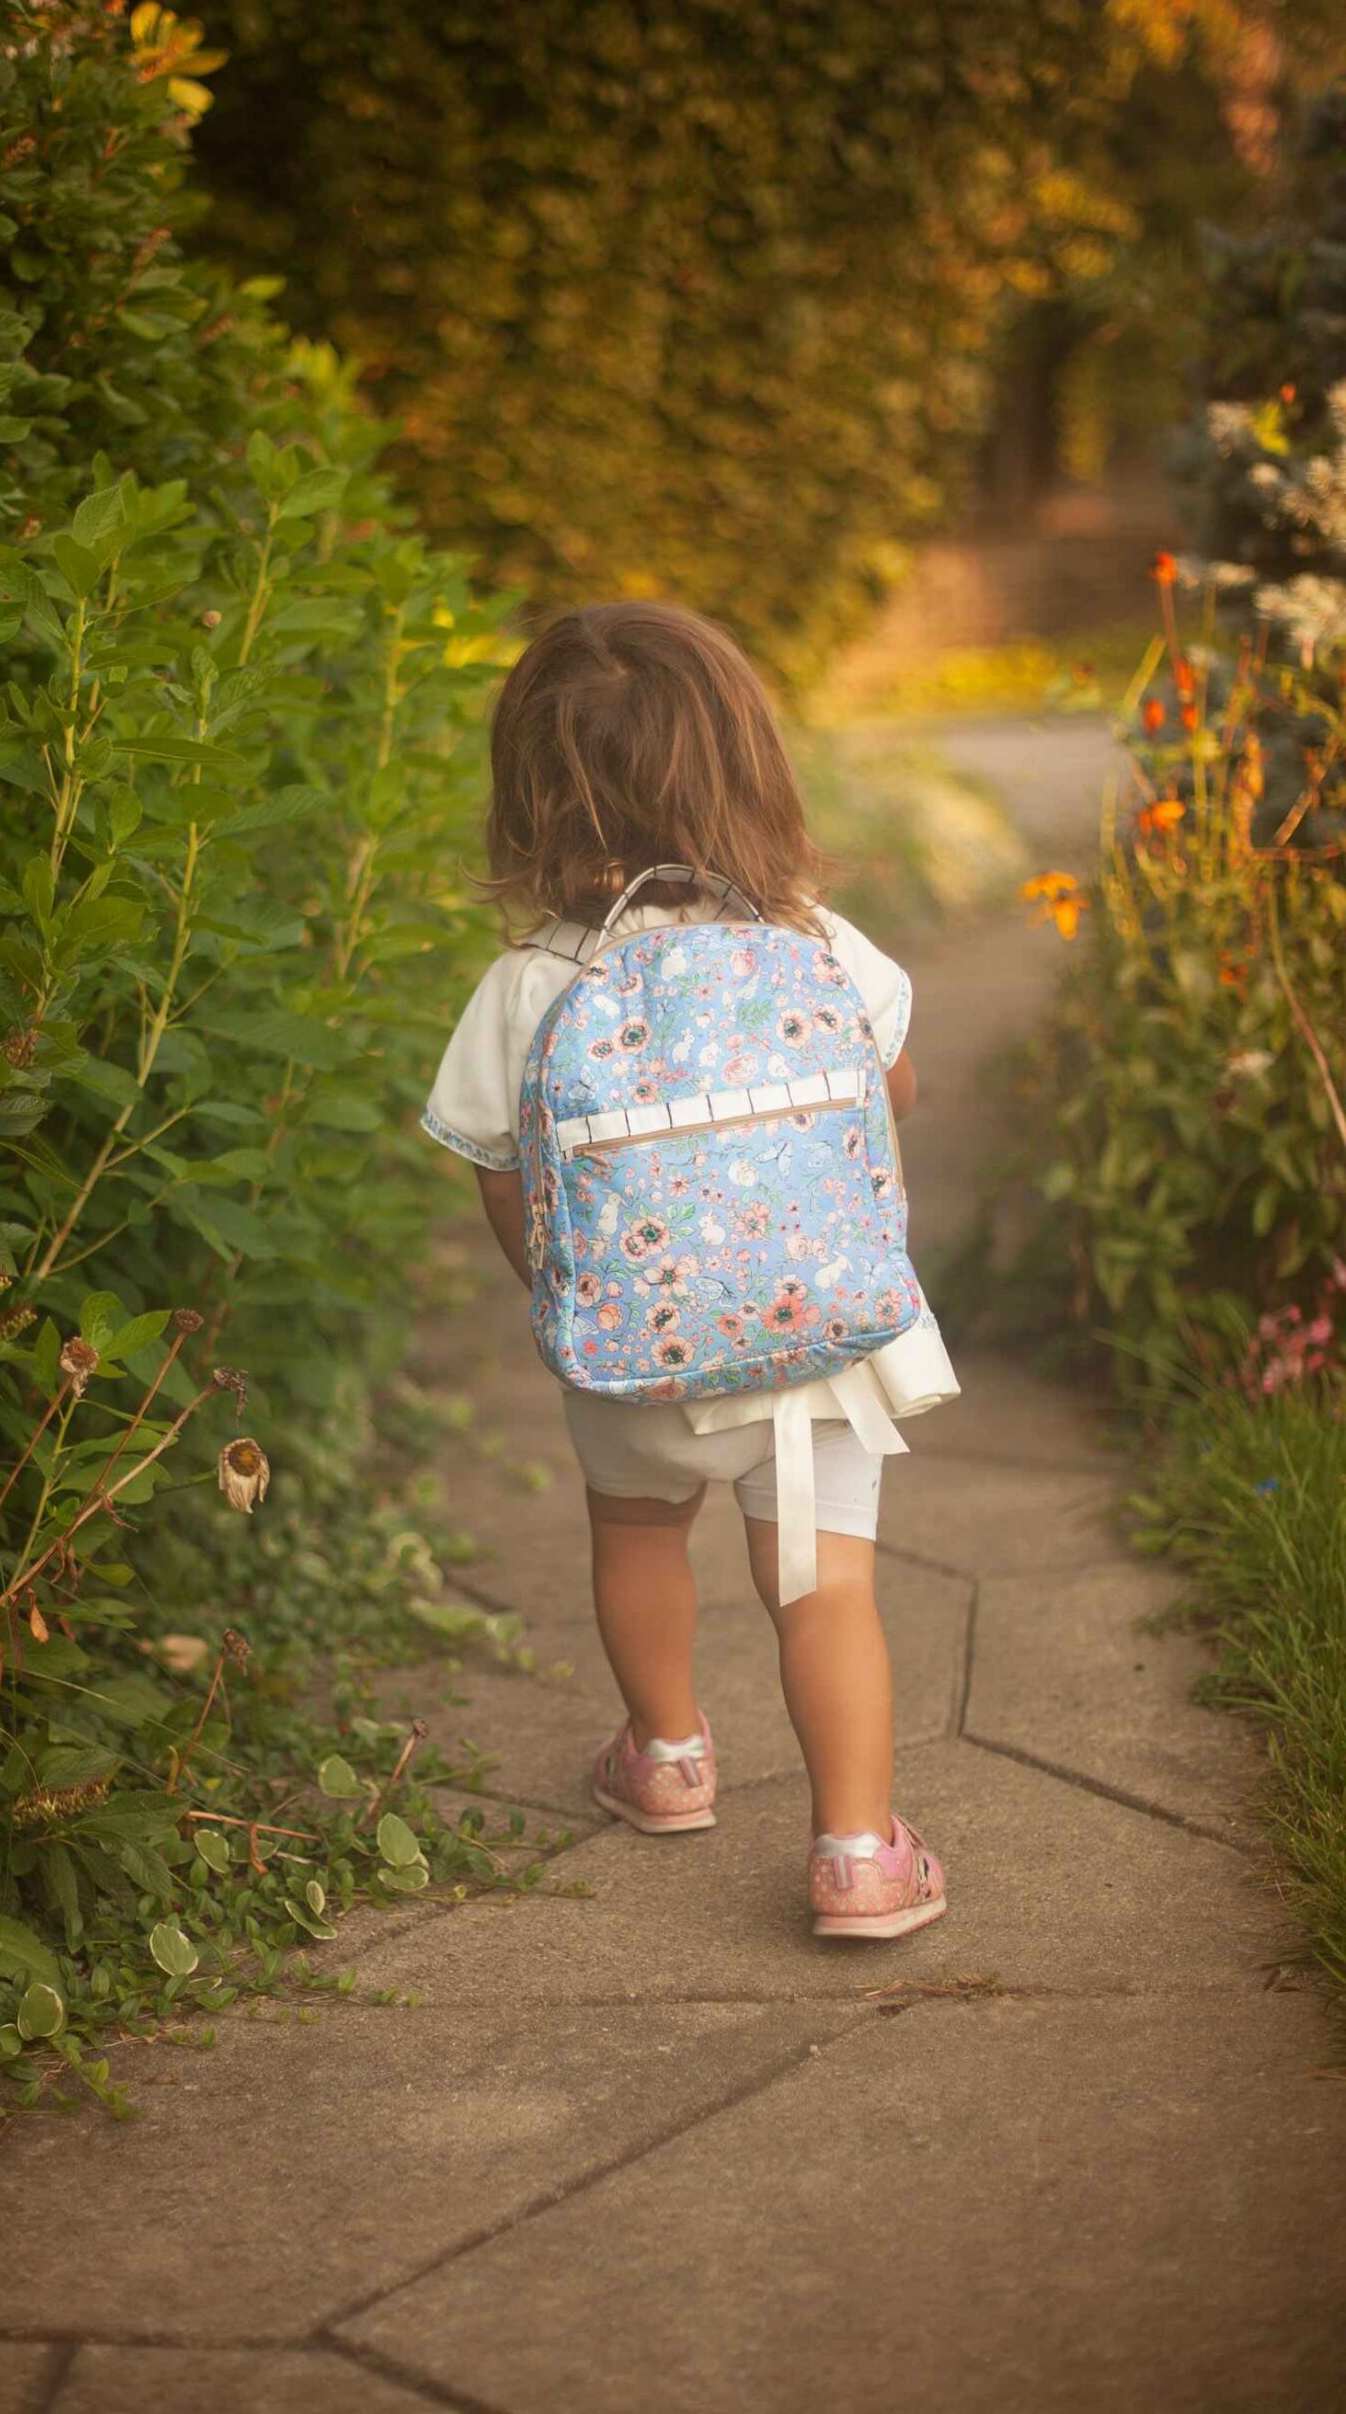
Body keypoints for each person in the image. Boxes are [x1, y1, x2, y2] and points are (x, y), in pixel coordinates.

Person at [421, 601, 949, 1940]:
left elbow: (494, 1161)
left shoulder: (533, 980)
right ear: (748, 770)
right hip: (818, 1346)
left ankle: (665, 1758)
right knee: (825, 1588)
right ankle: (857, 1852)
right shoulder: (818, 944)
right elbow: (889, 1084)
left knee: (639, 1535)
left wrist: (558, 1291)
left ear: (533, 803)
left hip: (626, 1339)